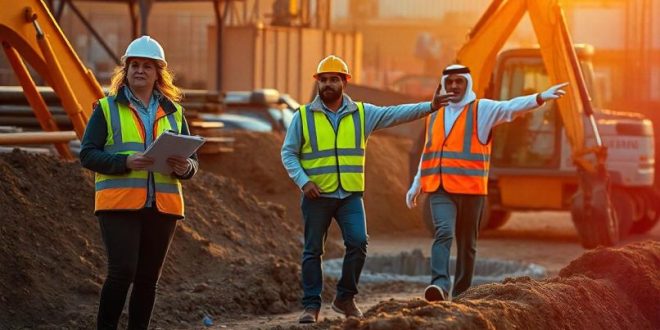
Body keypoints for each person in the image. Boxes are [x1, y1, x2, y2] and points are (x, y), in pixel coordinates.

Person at [281, 55, 454, 324]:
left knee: (359, 242)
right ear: (317, 82)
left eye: (334, 79)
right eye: (323, 79)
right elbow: (288, 154)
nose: (328, 84)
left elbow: (396, 113)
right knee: (312, 251)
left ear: (345, 82)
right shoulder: (302, 117)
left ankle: (344, 298)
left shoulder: (362, 113)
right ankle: (311, 305)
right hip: (317, 196)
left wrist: (430, 107)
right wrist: (303, 181)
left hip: (349, 195)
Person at [405, 64, 567, 302]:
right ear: (443, 85)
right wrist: (416, 183)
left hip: (471, 191)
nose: (453, 86)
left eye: (459, 81)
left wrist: (540, 97)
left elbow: (510, 107)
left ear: (467, 84)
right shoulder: (434, 114)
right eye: (449, 82)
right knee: (443, 232)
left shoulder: (482, 110)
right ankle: (439, 285)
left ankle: (461, 294)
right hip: (439, 189)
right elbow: (428, 151)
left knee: (467, 244)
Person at [79, 35, 199, 329]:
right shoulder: (106, 109)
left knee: (148, 280)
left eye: (147, 65)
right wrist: (125, 162)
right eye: (134, 65)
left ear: (159, 72)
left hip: (163, 206)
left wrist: (185, 168)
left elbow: (194, 163)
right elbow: (87, 154)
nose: (140, 70)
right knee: (122, 272)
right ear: (126, 70)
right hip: (119, 204)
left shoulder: (175, 111)